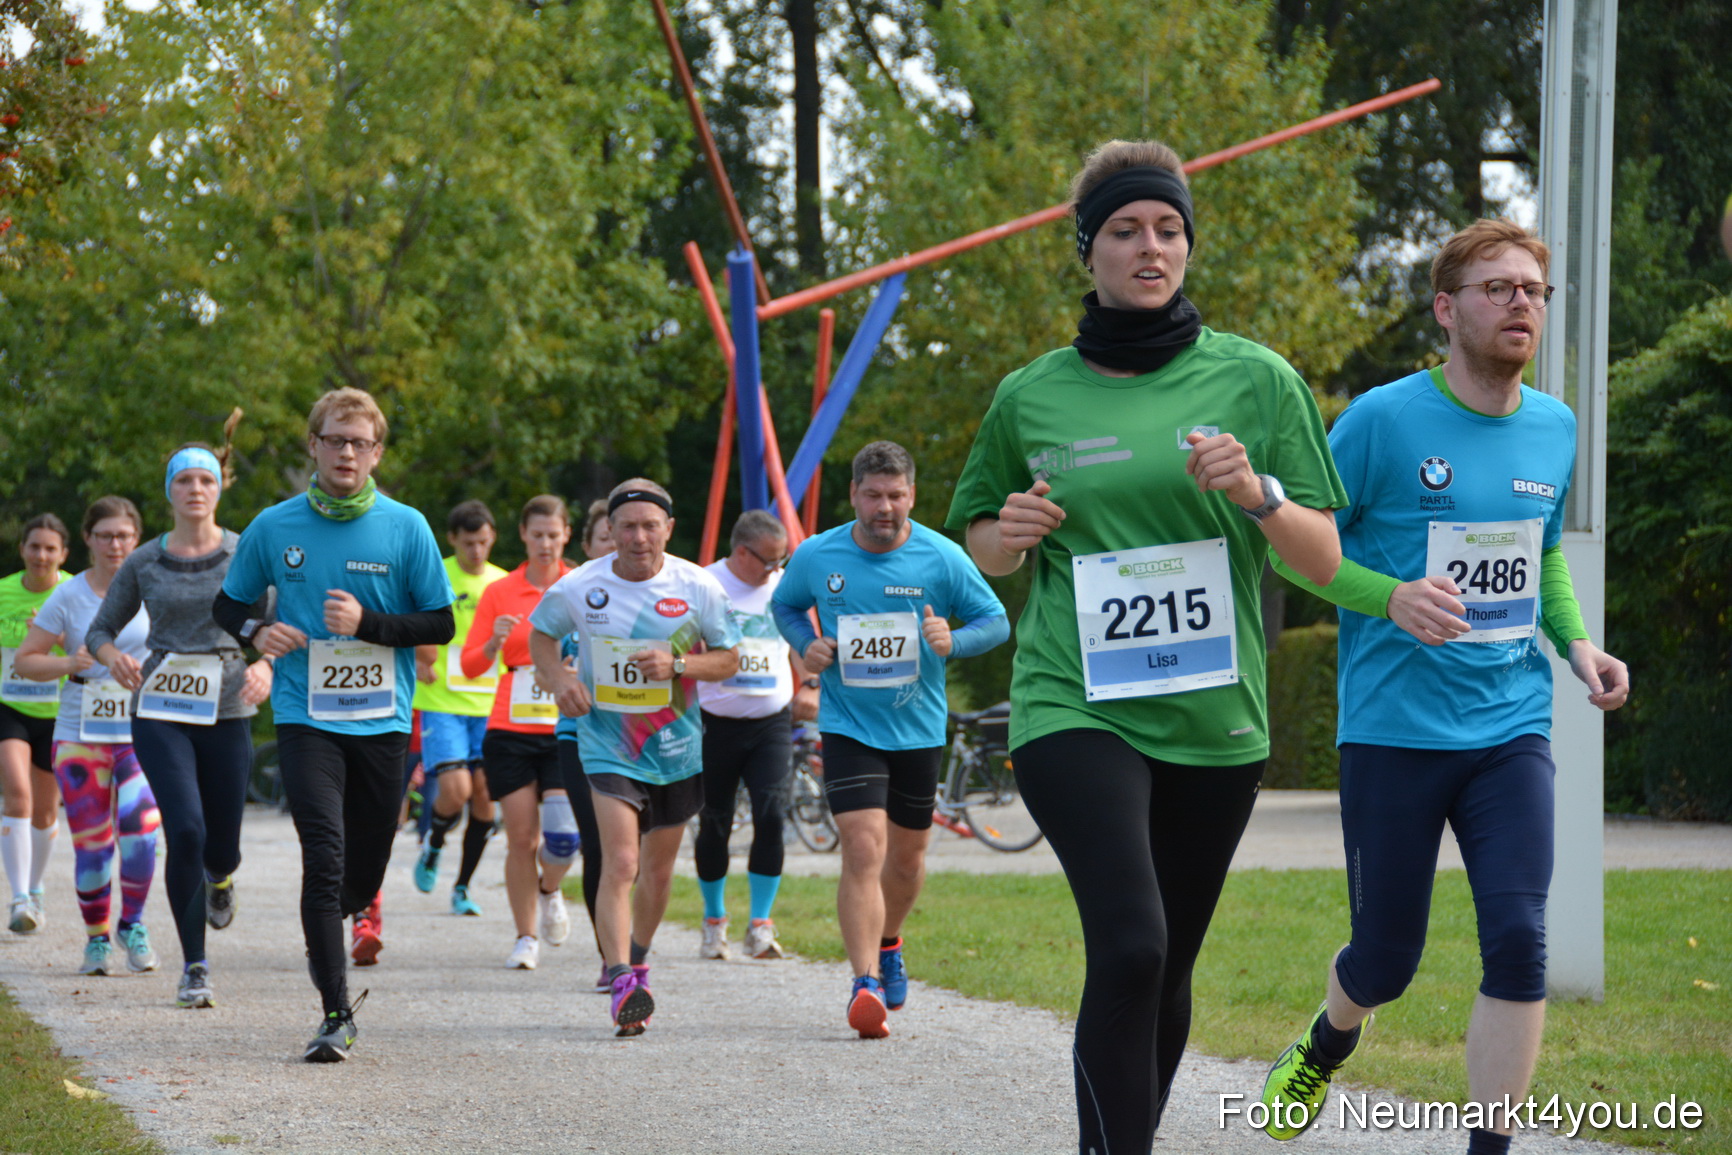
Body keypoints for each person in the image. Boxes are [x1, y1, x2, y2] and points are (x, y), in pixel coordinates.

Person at [945, 140, 1347, 1149]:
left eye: (1168, 229)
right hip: (1073, 702)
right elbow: (981, 543)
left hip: (1214, 715)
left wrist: (1258, 493)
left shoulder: (1258, 380)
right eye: (1124, 230)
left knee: (1166, 967)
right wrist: (1009, 533)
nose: (1150, 247)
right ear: (1088, 251)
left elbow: (1322, 559)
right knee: (1130, 944)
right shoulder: (1029, 395)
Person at [1257, 219, 1630, 1155]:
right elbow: (1300, 553)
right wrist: (1391, 597)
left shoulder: (1555, 426)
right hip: (1394, 730)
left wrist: (1577, 643)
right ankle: (1328, 1038)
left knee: (1520, 938)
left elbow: (1540, 553)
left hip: (1510, 726)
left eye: (1533, 289)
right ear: (1445, 308)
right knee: (1386, 958)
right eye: (1497, 287)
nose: (1520, 303)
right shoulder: (1380, 422)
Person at [214, 387, 453, 1062]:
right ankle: (334, 1013)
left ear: (377, 453)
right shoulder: (273, 526)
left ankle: (332, 917)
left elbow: (440, 623)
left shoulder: (406, 526)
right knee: (322, 855)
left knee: (364, 866)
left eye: (360, 442)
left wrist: (368, 624)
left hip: (382, 722)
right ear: (313, 446)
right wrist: (258, 630)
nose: (347, 452)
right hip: (305, 715)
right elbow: (227, 606)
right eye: (335, 440)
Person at [775, 440, 1009, 1039]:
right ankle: (865, 983)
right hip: (849, 725)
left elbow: (996, 621)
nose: (885, 507)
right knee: (861, 847)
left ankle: (888, 942)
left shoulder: (942, 556)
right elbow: (786, 606)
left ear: (912, 495)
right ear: (854, 495)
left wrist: (954, 640)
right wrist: (807, 646)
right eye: (874, 495)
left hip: (917, 729)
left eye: (896, 495)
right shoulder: (817, 554)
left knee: (906, 862)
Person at [528, 479, 739, 1037]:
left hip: (675, 747)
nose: (639, 537)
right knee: (621, 862)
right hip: (607, 744)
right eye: (627, 527)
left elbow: (730, 659)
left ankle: (637, 959)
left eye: (650, 526)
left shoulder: (698, 586)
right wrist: (559, 681)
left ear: (669, 528)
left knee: (657, 871)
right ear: (610, 529)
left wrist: (679, 666)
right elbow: (541, 636)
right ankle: (621, 978)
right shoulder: (581, 586)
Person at [89, 432, 274, 1009]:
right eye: (184, 480)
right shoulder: (145, 560)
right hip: (160, 707)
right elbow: (99, 630)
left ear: (219, 489)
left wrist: (266, 664)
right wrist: (112, 657)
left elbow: (279, 625)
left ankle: (221, 877)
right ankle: (195, 966)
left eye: (206, 480)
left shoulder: (245, 553)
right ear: (169, 491)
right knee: (185, 830)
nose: (196, 489)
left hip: (227, 707)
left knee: (222, 845)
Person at [15, 497, 161, 975]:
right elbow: (25, 661)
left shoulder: (154, 588)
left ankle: (132, 925)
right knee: (93, 844)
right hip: (80, 732)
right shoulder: (68, 595)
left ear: (136, 539)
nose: (114, 544)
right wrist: (68, 662)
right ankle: (96, 939)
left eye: (123, 536)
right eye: (105, 536)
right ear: (88, 540)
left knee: (141, 831)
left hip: (142, 731)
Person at [694, 510, 820, 961]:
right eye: (768, 560)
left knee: (772, 815)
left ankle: (761, 925)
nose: (775, 568)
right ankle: (714, 920)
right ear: (741, 553)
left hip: (771, 722)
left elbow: (801, 640)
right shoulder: (705, 584)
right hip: (714, 721)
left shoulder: (783, 586)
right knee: (716, 821)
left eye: (781, 559)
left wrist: (810, 684)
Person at [458, 495, 577, 970]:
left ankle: (550, 887)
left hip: (565, 724)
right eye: (537, 535)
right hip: (509, 727)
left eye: (553, 535)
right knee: (521, 838)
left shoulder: (581, 585)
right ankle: (526, 936)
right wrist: (492, 642)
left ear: (566, 535)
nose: (545, 544)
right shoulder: (499, 591)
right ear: (523, 535)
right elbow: (470, 665)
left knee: (564, 837)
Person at [410, 500, 508, 917]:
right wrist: (418, 657)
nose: (476, 551)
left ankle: (463, 886)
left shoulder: (502, 583)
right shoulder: (437, 574)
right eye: (468, 543)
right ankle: (433, 843)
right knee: (456, 790)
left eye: (483, 542)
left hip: (491, 703)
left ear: (493, 538)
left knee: (485, 798)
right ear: (452, 539)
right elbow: (411, 620)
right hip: (443, 700)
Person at [1, 513, 73, 933]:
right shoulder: (3, 592)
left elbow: (95, 649)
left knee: (46, 811)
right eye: (34, 546)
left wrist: (54, 637)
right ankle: (19, 899)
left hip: (59, 711)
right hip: (9, 707)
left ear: (63, 554)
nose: (41, 555)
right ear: (22, 549)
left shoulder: (74, 593)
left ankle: (35, 886)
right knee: (17, 794)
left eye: (50, 548)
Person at [557, 497, 617, 993]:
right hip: (579, 734)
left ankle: (631, 942)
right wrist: (559, 673)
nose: (618, 545)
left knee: (637, 851)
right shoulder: (571, 592)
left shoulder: (659, 591)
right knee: (599, 844)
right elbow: (537, 651)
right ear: (588, 544)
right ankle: (610, 957)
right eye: (606, 538)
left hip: (642, 736)